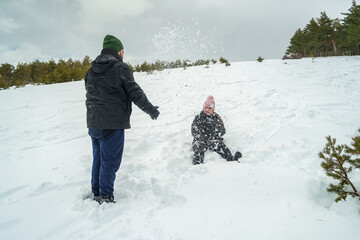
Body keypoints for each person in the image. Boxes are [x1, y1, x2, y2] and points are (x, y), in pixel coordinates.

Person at [85, 34, 160, 203]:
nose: (123, 54)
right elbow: (135, 92)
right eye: (123, 51)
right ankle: (106, 196)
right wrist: (150, 110)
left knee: (98, 158)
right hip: (112, 123)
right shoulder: (120, 68)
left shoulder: (92, 70)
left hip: (93, 122)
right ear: (118, 51)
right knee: (109, 162)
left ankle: (96, 191)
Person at [191, 95, 242, 165]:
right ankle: (197, 163)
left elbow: (222, 130)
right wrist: (200, 137)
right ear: (203, 108)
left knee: (220, 145)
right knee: (199, 146)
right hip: (200, 140)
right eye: (206, 108)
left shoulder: (217, 118)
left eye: (210, 108)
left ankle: (230, 158)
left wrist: (215, 135)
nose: (208, 110)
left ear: (213, 110)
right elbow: (194, 130)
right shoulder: (198, 118)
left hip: (212, 140)